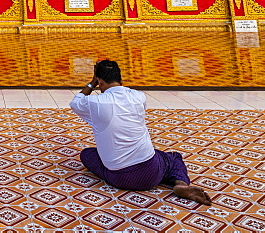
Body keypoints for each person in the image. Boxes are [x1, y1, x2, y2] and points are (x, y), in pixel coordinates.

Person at [70, 59, 212, 205]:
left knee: (87, 154)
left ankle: (169, 179)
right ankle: (181, 184)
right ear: (121, 79)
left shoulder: (96, 102)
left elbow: (75, 103)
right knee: (173, 158)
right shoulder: (139, 96)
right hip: (151, 172)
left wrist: (91, 83)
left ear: (99, 82)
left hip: (119, 177)